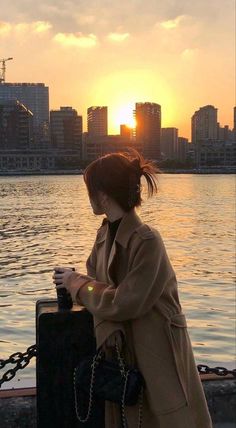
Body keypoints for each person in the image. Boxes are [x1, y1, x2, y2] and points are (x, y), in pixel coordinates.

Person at [53, 151, 212, 428]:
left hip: (157, 353)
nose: (88, 196)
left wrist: (74, 283)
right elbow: (99, 287)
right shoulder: (103, 234)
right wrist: (81, 284)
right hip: (123, 353)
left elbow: (123, 302)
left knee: (168, 418)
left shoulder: (147, 241)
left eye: (89, 190)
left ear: (102, 195)